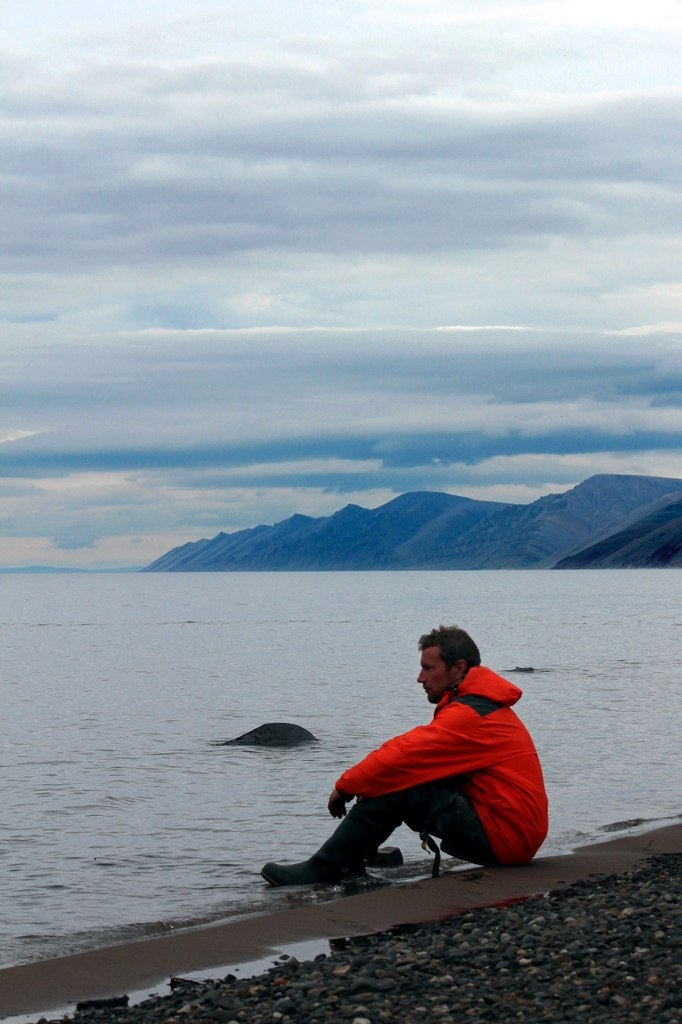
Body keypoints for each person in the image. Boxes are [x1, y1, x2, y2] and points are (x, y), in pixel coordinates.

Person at [261, 625, 548, 886]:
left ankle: (326, 868)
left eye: (428, 668)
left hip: (508, 839)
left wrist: (345, 786)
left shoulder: (471, 715)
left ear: (458, 668)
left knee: (398, 780)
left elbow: (402, 755)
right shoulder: (480, 706)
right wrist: (367, 784)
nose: (420, 678)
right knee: (392, 778)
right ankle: (349, 863)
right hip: (513, 833)